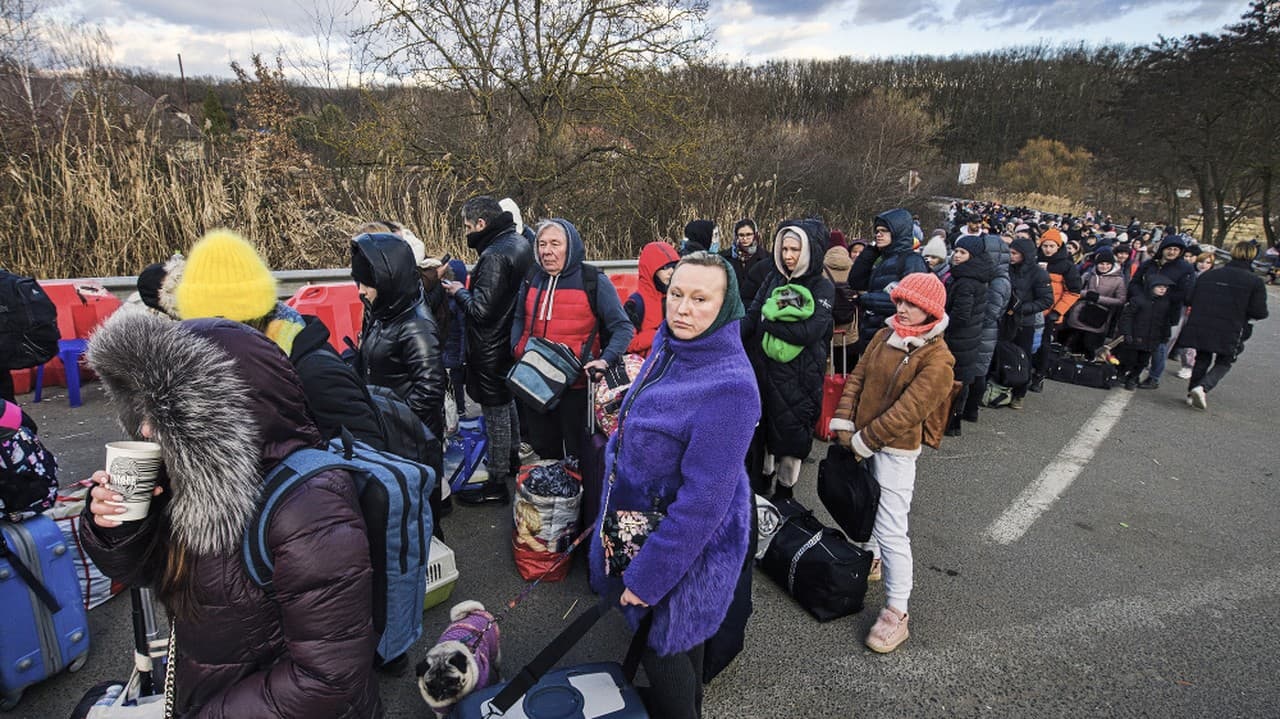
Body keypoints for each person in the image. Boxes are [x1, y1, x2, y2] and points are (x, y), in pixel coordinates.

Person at [81, 313, 381, 717]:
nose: (148, 430)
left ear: (221, 413)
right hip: (211, 688)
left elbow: (329, 680)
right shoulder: (190, 479)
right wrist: (117, 525)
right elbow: (138, 572)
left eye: (169, 411)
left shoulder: (310, 506)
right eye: (145, 409)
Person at [588, 252, 759, 719]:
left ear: (726, 307)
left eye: (701, 299)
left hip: (682, 548)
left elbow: (703, 503)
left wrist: (648, 579)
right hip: (643, 524)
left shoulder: (730, 388)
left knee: (664, 652)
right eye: (677, 294)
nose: (683, 308)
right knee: (682, 648)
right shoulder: (670, 345)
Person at [828, 272, 955, 654]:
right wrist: (845, 422)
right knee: (863, 508)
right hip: (860, 439)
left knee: (891, 527)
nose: (901, 308)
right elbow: (857, 379)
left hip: (896, 452)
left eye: (911, 303)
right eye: (900, 300)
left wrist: (863, 441)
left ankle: (897, 609)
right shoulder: (884, 335)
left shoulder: (938, 359)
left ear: (930, 310)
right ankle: (873, 559)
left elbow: (908, 411)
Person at [175, 229, 387, 451]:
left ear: (251, 319)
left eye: (219, 327)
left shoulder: (315, 372)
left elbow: (369, 461)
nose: (210, 340)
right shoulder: (227, 369)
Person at [511, 219, 633, 460]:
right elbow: (518, 317)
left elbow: (623, 327)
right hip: (534, 381)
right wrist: (518, 348)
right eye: (542, 244)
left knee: (578, 455)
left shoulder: (593, 281)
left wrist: (605, 361)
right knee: (544, 450)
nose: (547, 251)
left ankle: (580, 496)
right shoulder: (532, 277)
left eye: (555, 243)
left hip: (575, 387)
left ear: (572, 246)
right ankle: (554, 494)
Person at [442, 196, 535, 504]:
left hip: (491, 346)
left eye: (468, 226)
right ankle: (510, 460)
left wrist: (458, 292)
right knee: (507, 403)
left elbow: (481, 311)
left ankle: (496, 483)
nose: (467, 232)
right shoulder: (519, 242)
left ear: (482, 224)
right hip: (510, 340)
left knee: (495, 411)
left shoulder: (494, 255)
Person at [742, 219, 834, 500]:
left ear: (810, 251)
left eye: (795, 250)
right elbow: (753, 314)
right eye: (784, 249)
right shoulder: (773, 277)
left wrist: (766, 322)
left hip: (800, 378)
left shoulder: (822, 287)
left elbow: (808, 332)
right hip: (765, 373)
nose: (788, 256)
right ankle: (760, 494)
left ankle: (785, 497)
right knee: (763, 437)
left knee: (791, 440)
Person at [1175, 241, 1269, 409]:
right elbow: (1259, 312)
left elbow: (1189, 299)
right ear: (1253, 256)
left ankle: (1192, 391)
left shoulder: (1209, 275)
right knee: (1225, 360)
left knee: (1202, 358)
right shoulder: (1254, 282)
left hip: (1203, 322)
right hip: (1233, 326)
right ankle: (1202, 387)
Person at [848, 208, 930, 351]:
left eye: (884, 231)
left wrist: (867, 300)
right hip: (874, 333)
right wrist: (871, 251)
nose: (878, 235)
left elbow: (914, 302)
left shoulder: (911, 261)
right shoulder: (884, 260)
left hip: (895, 338)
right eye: (877, 231)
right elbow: (856, 281)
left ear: (897, 232)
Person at [941, 235, 993, 435]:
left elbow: (961, 315)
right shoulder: (973, 277)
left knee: (955, 379)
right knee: (960, 378)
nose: (956, 255)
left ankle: (950, 421)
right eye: (956, 251)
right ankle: (953, 421)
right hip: (969, 336)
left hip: (959, 337)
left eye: (962, 252)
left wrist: (943, 326)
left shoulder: (966, 281)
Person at [1129, 234, 1195, 389]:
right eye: (1169, 249)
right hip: (1142, 308)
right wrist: (1140, 297)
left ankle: (1154, 377)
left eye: (1175, 249)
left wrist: (1161, 298)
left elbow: (1186, 293)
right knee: (1135, 340)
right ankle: (1131, 372)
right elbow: (1135, 282)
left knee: (1159, 345)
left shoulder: (1185, 268)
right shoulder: (1149, 264)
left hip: (1166, 312)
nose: (1171, 252)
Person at [963, 234, 1012, 423]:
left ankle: (971, 410)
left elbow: (992, 312)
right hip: (981, 330)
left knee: (977, 371)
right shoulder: (991, 276)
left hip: (984, 332)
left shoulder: (998, 281)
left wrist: (972, 322)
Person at [1005, 237, 1053, 409]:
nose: (1011, 256)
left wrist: (1023, 307)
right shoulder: (1006, 268)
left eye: (1014, 253)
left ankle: (1019, 393)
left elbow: (1046, 300)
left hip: (1025, 321)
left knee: (1023, 357)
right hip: (1004, 318)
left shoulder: (1039, 273)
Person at [1033, 229, 1082, 391]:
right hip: (1032, 309)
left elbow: (1074, 291)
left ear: (1058, 246)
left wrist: (1058, 311)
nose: (1047, 249)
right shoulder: (1033, 260)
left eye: (1051, 246)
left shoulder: (1067, 266)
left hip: (1050, 314)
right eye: (1045, 245)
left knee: (1044, 346)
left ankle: (1039, 376)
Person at [1059, 249, 1127, 357]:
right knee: (1072, 346)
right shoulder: (1088, 275)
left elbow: (1121, 300)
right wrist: (1085, 294)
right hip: (1079, 315)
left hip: (1098, 318)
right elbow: (1074, 290)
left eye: (1107, 264)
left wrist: (1098, 298)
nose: (1104, 266)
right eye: (1101, 264)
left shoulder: (1118, 280)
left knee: (1089, 347)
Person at [1117, 274, 1173, 391]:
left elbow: (1166, 322)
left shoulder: (1165, 304)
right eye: (1159, 286)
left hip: (1152, 339)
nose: (1163, 289)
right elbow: (1127, 317)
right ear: (1151, 286)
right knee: (1129, 359)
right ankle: (1121, 375)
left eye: (1165, 287)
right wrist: (1126, 333)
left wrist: (1165, 336)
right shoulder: (1139, 300)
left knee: (1143, 361)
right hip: (1135, 336)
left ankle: (1133, 378)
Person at [626, 241, 680, 357]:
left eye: (674, 266)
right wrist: (660, 333)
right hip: (646, 366)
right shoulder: (636, 303)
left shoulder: (680, 298)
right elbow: (628, 344)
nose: (671, 272)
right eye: (665, 268)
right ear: (651, 270)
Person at [721, 219, 769, 305]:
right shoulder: (724, 257)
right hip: (731, 307)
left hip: (756, 307)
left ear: (755, 235)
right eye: (741, 235)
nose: (745, 238)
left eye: (749, 234)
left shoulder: (766, 258)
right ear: (736, 236)